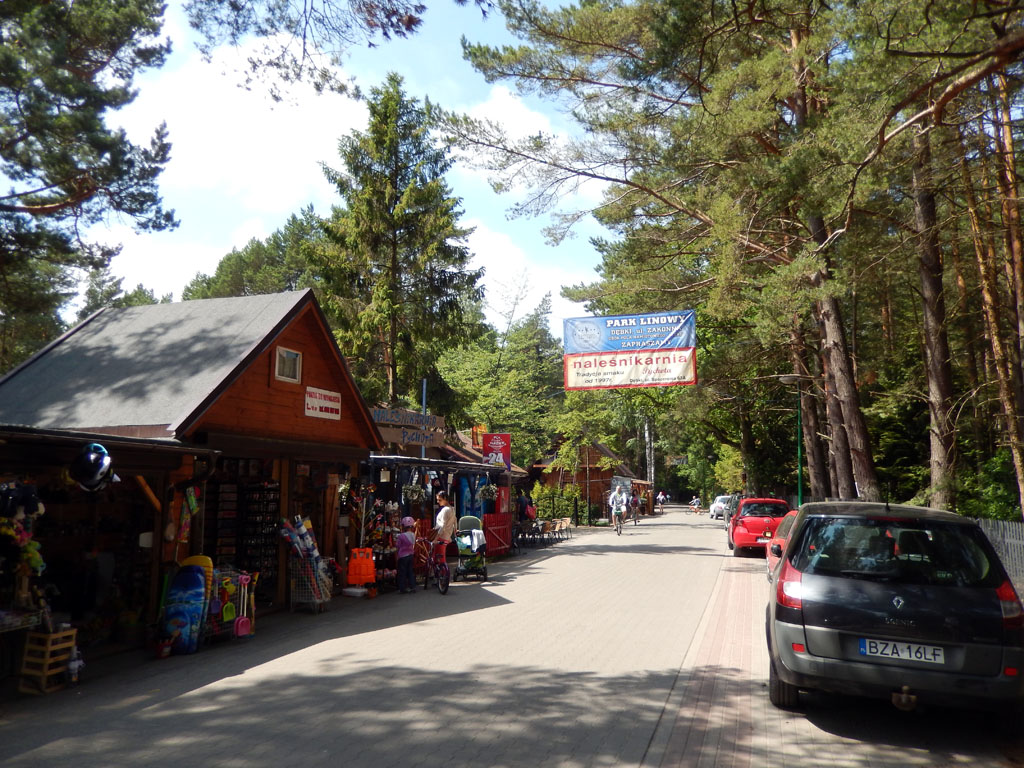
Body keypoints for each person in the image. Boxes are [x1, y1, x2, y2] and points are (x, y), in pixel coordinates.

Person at [431, 490, 457, 568]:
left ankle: (441, 574)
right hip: (447, 536)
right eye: (437, 500)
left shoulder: (445, 510)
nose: (438, 502)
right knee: (441, 556)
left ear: (445, 499)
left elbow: (442, 525)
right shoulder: (452, 509)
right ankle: (443, 574)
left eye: (440, 500)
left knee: (439, 558)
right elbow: (455, 521)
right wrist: (455, 531)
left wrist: (436, 538)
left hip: (441, 536)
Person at [396, 516, 417, 593]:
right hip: (411, 555)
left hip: (402, 556)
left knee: (402, 572)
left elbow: (397, 546)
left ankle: (402, 588)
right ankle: (412, 586)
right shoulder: (413, 535)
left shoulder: (401, 536)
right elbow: (414, 543)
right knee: (410, 571)